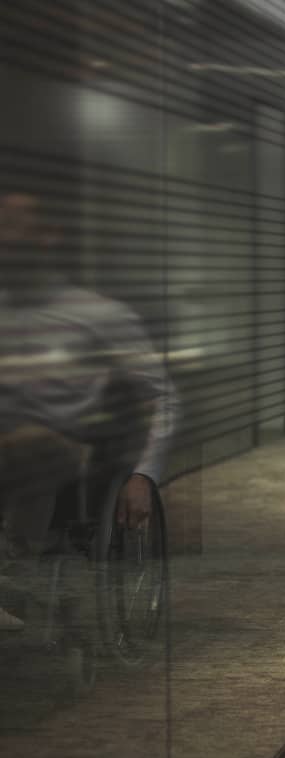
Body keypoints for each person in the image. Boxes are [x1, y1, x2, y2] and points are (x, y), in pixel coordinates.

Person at [0, 191, 178, 630]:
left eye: (13, 226)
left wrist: (142, 475)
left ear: (49, 236)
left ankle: (11, 568)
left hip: (63, 445)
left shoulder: (97, 314)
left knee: (28, 442)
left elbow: (161, 396)